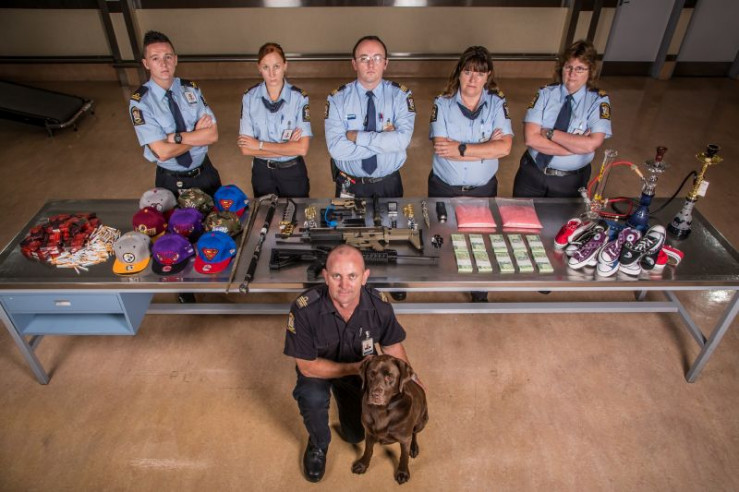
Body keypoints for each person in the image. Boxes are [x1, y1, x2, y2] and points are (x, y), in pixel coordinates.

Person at [283, 244, 417, 482]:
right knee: (312, 398)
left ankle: (346, 408)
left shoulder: (379, 306)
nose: (344, 285)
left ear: (364, 277)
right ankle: (318, 443)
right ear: (325, 276)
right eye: (337, 276)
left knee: (355, 435)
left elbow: (392, 347)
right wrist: (355, 368)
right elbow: (307, 366)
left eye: (352, 276)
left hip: (362, 372)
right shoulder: (304, 309)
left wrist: (412, 380)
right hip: (320, 370)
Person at [429, 45, 513, 303]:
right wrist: (487, 147)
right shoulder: (442, 103)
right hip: (444, 186)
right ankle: (444, 277)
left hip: (482, 189)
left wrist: (462, 148)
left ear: (488, 76)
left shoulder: (497, 104)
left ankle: (479, 289)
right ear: (459, 73)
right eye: (467, 72)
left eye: (480, 73)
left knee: (480, 240)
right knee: (442, 235)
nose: (473, 79)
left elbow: (505, 148)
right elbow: (442, 149)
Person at [512, 39, 612, 198]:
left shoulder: (598, 101)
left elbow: (591, 144)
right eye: (568, 67)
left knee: (563, 215)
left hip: (570, 181)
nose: (572, 74)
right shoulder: (545, 94)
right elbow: (531, 139)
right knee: (520, 213)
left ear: (590, 71)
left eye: (580, 69)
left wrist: (549, 133)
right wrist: (574, 148)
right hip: (531, 174)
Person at [129, 31, 222, 198]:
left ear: (176, 59)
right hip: (171, 180)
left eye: (168, 57)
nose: (163, 64)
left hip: (205, 172)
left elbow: (212, 135)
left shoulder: (191, 89)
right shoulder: (141, 103)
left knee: (217, 214)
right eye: (155, 58)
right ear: (146, 63)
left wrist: (175, 138)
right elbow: (163, 152)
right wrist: (196, 136)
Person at [325, 35, 416, 199]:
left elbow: (402, 141)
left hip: (388, 184)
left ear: (385, 63)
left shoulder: (401, 96)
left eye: (377, 58)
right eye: (364, 58)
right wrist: (387, 143)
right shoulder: (337, 99)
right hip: (349, 185)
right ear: (354, 64)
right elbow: (336, 149)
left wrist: (356, 137)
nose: (371, 64)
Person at [237, 42, 312, 198]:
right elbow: (246, 149)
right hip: (262, 173)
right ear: (259, 68)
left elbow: (302, 149)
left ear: (285, 66)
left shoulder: (299, 98)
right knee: (265, 212)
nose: (272, 74)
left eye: (276, 66)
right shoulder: (249, 97)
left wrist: (259, 145)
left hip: (292, 172)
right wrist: (287, 147)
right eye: (266, 67)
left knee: (296, 212)